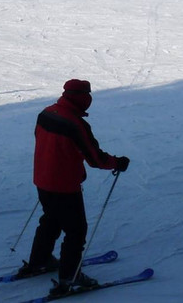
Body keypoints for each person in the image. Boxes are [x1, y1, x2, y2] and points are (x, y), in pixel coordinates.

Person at [22, 80, 129, 296]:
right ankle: (69, 278)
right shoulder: (75, 124)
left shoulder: (46, 113)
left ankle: (39, 261)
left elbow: (42, 140)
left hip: (42, 180)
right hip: (64, 186)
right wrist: (117, 163)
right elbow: (95, 158)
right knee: (76, 231)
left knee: (50, 220)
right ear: (81, 98)